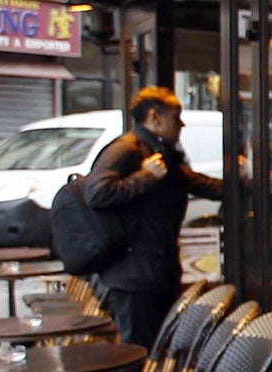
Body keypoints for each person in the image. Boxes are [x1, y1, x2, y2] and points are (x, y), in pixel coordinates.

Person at [85, 86, 223, 350]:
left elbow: (196, 182)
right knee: (139, 351)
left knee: (157, 347)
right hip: (134, 274)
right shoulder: (126, 149)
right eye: (175, 116)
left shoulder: (158, 151)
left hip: (156, 269)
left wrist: (249, 184)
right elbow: (97, 194)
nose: (181, 124)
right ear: (155, 117)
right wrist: (145, 177)